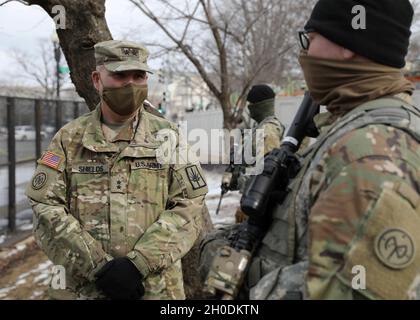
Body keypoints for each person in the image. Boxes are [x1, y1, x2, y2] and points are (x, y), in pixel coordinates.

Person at [201, 0, 420, 300]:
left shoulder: (371, 152)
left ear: (347, 44)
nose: (304, 53)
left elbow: (348, 291)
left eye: (309, 39)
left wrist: (241, 275)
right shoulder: (349, 129)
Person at [26, 40, 208, 300]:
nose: (131, 84)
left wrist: (139, 264)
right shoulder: (69, 139)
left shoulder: (168, 137)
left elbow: (189, 203)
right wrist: (99, 267)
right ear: (97, 79)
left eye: (139, 75)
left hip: (155, 289)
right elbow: (45, 205)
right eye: (120, 75)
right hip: (84, 289)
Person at [220, 84, 285, 222]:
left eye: (250, 105)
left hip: (257, 204)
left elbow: (268, 174)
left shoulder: (268, 131)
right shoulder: (258, 129)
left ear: (258, 106)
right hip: (251, 199)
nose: (249, 109)